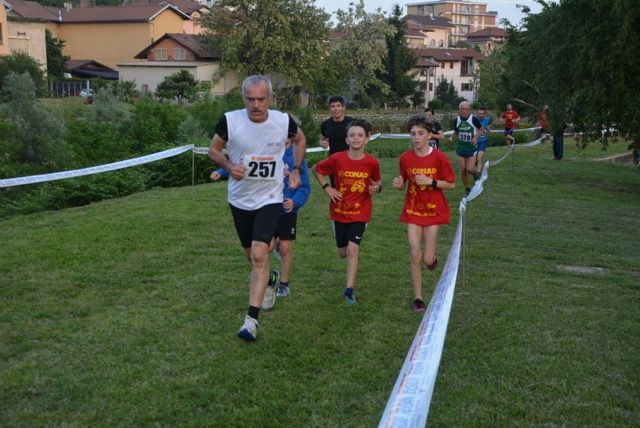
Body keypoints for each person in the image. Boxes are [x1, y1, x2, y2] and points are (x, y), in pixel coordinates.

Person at [208, 75, 306, 342]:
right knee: (252, 257)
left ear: (270, 98)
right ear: (243, 98)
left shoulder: (283, 121)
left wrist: (297, 169)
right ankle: (270, 279)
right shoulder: (230, 121)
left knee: (260, 254)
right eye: (250, 99)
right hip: (240, 200)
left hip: (270, 198)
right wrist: (229, 166)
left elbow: (300, 140)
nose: (255, 105)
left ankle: (250, 321)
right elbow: (213, 150)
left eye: (261, 99)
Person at [209, 140, 311, 300]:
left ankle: (284, 284)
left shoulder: (297, 158)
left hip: (287, 211)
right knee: (265, 248)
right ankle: (270, 274)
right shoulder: (265, 150)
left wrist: (295, 201)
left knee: (285, 248)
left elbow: (305, 187)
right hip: (266, 207)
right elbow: (246, 166)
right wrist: (221, 171)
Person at [311, 119, 382, 305]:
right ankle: (347, 269)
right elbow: (316, 169)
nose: (356, 138)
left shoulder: (372, 162)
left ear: (367, 139)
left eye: (360, 135)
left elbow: (378, 182)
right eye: (352, 135)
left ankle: (349, 290)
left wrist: (377, 188)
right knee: (342, 252)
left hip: (361, 212)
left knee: (352, 249)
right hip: (339, 211)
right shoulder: (337, 159)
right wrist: (327, 187)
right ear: (347, 139)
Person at [392, 116, 455, 313]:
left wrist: (431, 182)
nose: (416, 137)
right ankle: (418, 298)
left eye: (421, 133)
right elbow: (404, 181)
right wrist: (399, 185)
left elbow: (451, 184)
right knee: (414, 252)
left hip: (433, 211)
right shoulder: (405, 158)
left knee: (427, 259)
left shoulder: (440, 158)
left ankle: (432, 259)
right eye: (413, 134)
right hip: (413, 210)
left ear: (429, 135)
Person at [451, 101, 483, 195]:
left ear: (469, 110)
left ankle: (476, 174)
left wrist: (476, 137)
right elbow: (456, 131)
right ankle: (467, 188)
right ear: (459, 110)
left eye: (466, 109)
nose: (464, 111)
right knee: (463, 169)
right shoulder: (456, 120)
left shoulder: (473, 119)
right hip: (461, 147)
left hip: (471, 148)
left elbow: (481, 130)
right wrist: (452, 137)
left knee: (469, 169)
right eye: (462, 109)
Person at [475, 106, 492, 179]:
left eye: (482, 114)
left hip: (483, 142)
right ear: (477, 113)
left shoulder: (487, 120)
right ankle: (479, 168)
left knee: (479, 158)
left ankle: (478, 175)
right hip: (474, 142)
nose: (481, 115)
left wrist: (488, 128)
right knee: (476, 160)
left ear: (484, 114)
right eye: (479, 114)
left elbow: (490, 126)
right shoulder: (473, 120)